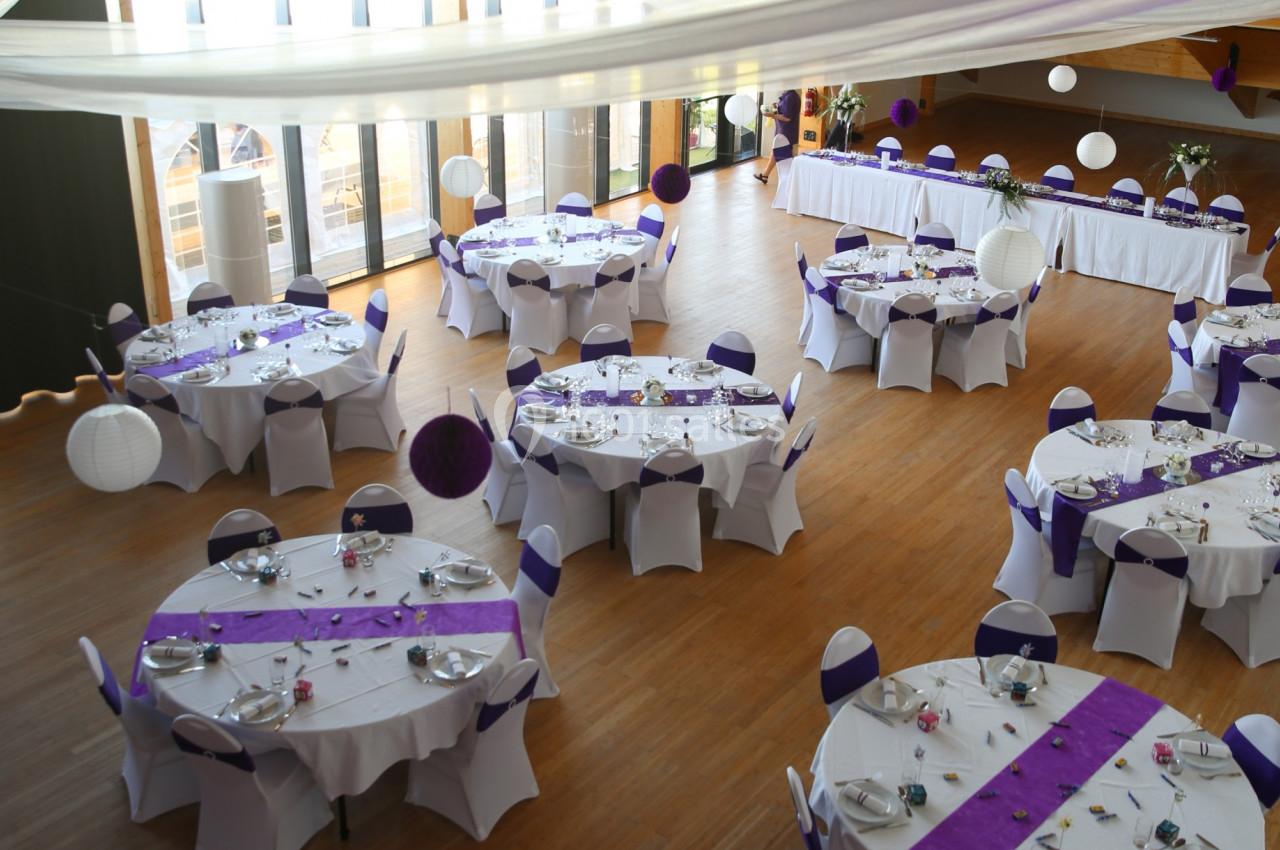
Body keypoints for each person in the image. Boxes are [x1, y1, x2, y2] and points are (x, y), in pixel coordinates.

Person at [754, 89, 799, 185]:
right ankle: (765, 175)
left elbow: (787, 117)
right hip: (782, 128)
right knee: (776, 151)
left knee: (782, 154)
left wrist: (771, 115)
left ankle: (792, 180)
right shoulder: (787, 95)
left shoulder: (790, 97)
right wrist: (776, 107)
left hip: (786, 130)